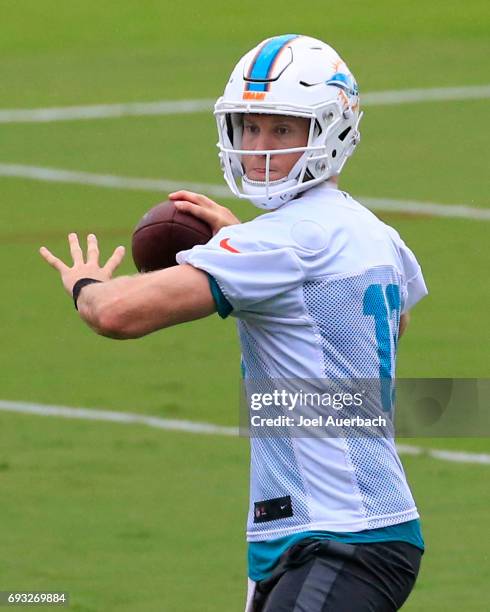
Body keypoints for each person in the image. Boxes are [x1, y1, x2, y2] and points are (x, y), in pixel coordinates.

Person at [40, 34, 428, 611]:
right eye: (250, 128)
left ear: (329, 131)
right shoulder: (377, 236)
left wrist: (86, 285)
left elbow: (117, 315)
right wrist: (243, 244)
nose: (259, 147)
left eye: (282, 130)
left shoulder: (284, 242)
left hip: (340, 537)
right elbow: (355, 342)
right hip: (327, 529)